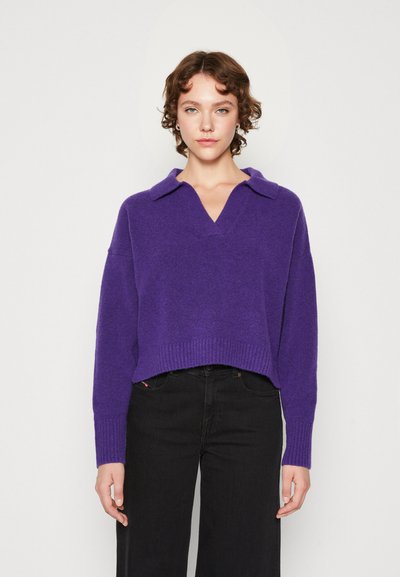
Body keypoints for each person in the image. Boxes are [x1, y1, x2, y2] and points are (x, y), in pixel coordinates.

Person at [92, 50, 318, 577]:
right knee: (148, 563)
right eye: (192, 108)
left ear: (241, 114)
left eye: (221, 108)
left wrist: (299, 448)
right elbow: (115, 336)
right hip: (158, 405)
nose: (207, 123)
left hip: (249, 407)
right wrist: (109, 450)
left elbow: (299, 335)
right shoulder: (141, 212)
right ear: (175, 115)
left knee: (244, 564)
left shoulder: (280, 209)